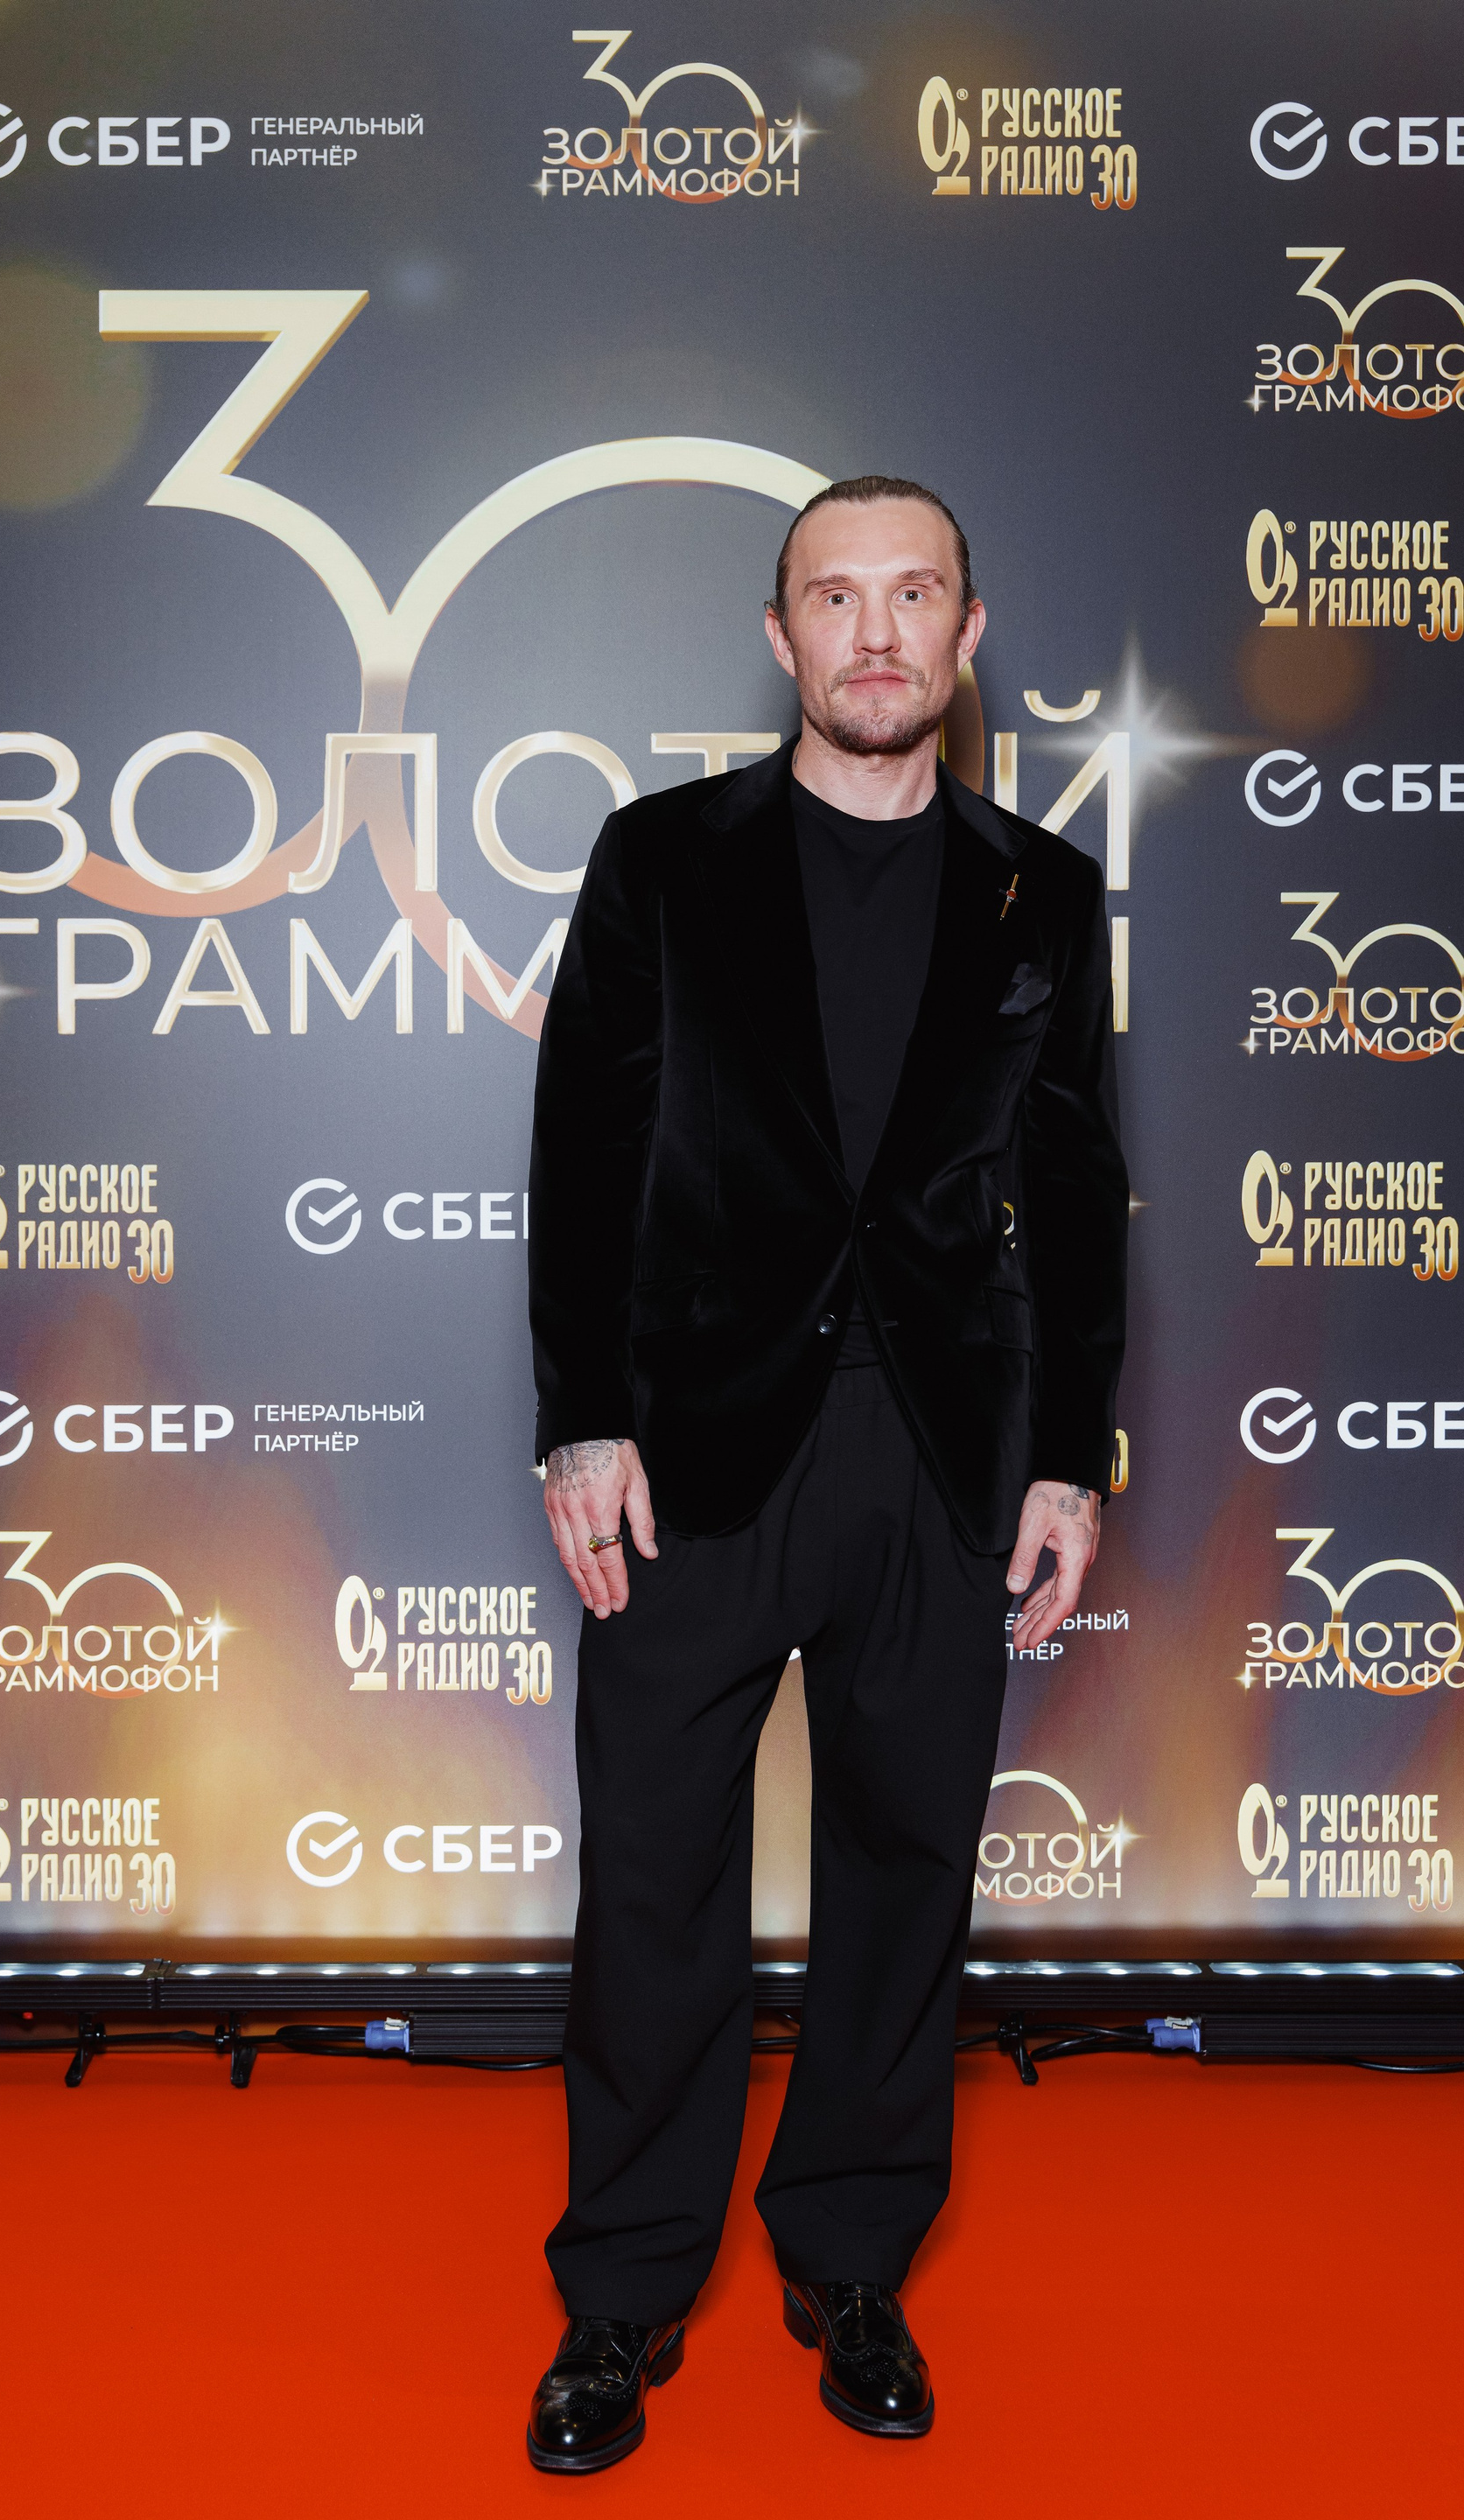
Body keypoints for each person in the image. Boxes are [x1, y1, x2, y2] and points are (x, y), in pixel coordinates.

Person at [523, 475, 1127, 2472]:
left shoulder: (1044, 890)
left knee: (905, 1873)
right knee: (657, 1884)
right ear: (779, 636)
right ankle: (621, 2297)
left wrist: (1066, 1461)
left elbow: (1076, 1187)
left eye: (914, 593)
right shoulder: (661, 860)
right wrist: (581, 1418)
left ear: (968, 629)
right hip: (696, 1453)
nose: (877, 632)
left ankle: (853, 2263)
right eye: (836, 597)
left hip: (945, 1457)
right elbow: (584, 1152)